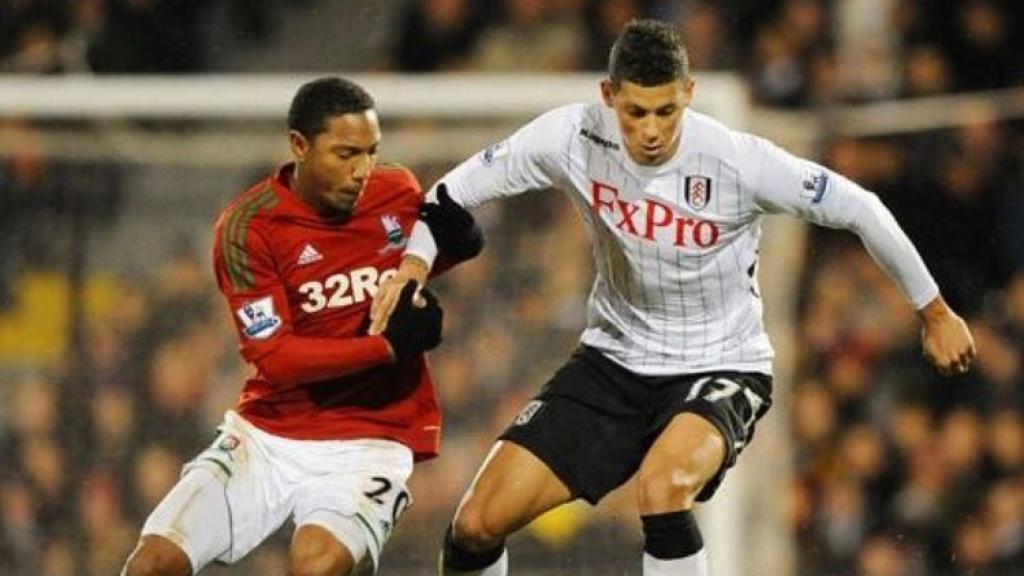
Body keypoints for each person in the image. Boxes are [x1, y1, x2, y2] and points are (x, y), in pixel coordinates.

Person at [369, 20, 976, 576]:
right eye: (636, 112)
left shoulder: (737, 160)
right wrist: (413, 264)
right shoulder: (572, 136)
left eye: (666, 110)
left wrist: (935, 310)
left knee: (661, 490)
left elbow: (859, 207)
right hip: (611, 362)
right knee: (476, 525)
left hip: (721, 364)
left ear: (688, 91)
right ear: (609, 97)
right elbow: (454, 190)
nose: (652, 131)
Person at [121, 76, 467, 576]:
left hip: (371, 439)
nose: (362, 171)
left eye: (371, 152)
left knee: (316, 565)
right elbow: (276, 358)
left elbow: (417, 256)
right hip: (268, 435)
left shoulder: (395, 190)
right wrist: (386, 348)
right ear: (299, 146)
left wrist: (460, 243)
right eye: (346, 153)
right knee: (152, 564)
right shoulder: (247, 228)